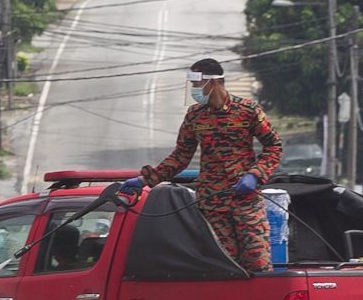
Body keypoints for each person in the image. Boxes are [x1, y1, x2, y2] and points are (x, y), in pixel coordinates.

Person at [121, 58, 283, 273]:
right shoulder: (195, 115)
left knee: (258, 263)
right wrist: (147, 179)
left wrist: (255, 175)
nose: (195, 90)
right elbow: (180, 155)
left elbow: (274, 146)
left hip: (246, 202)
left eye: (197, 84)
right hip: (213, 203)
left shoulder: (247, 110)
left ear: (213, 83)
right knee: (224, 267)